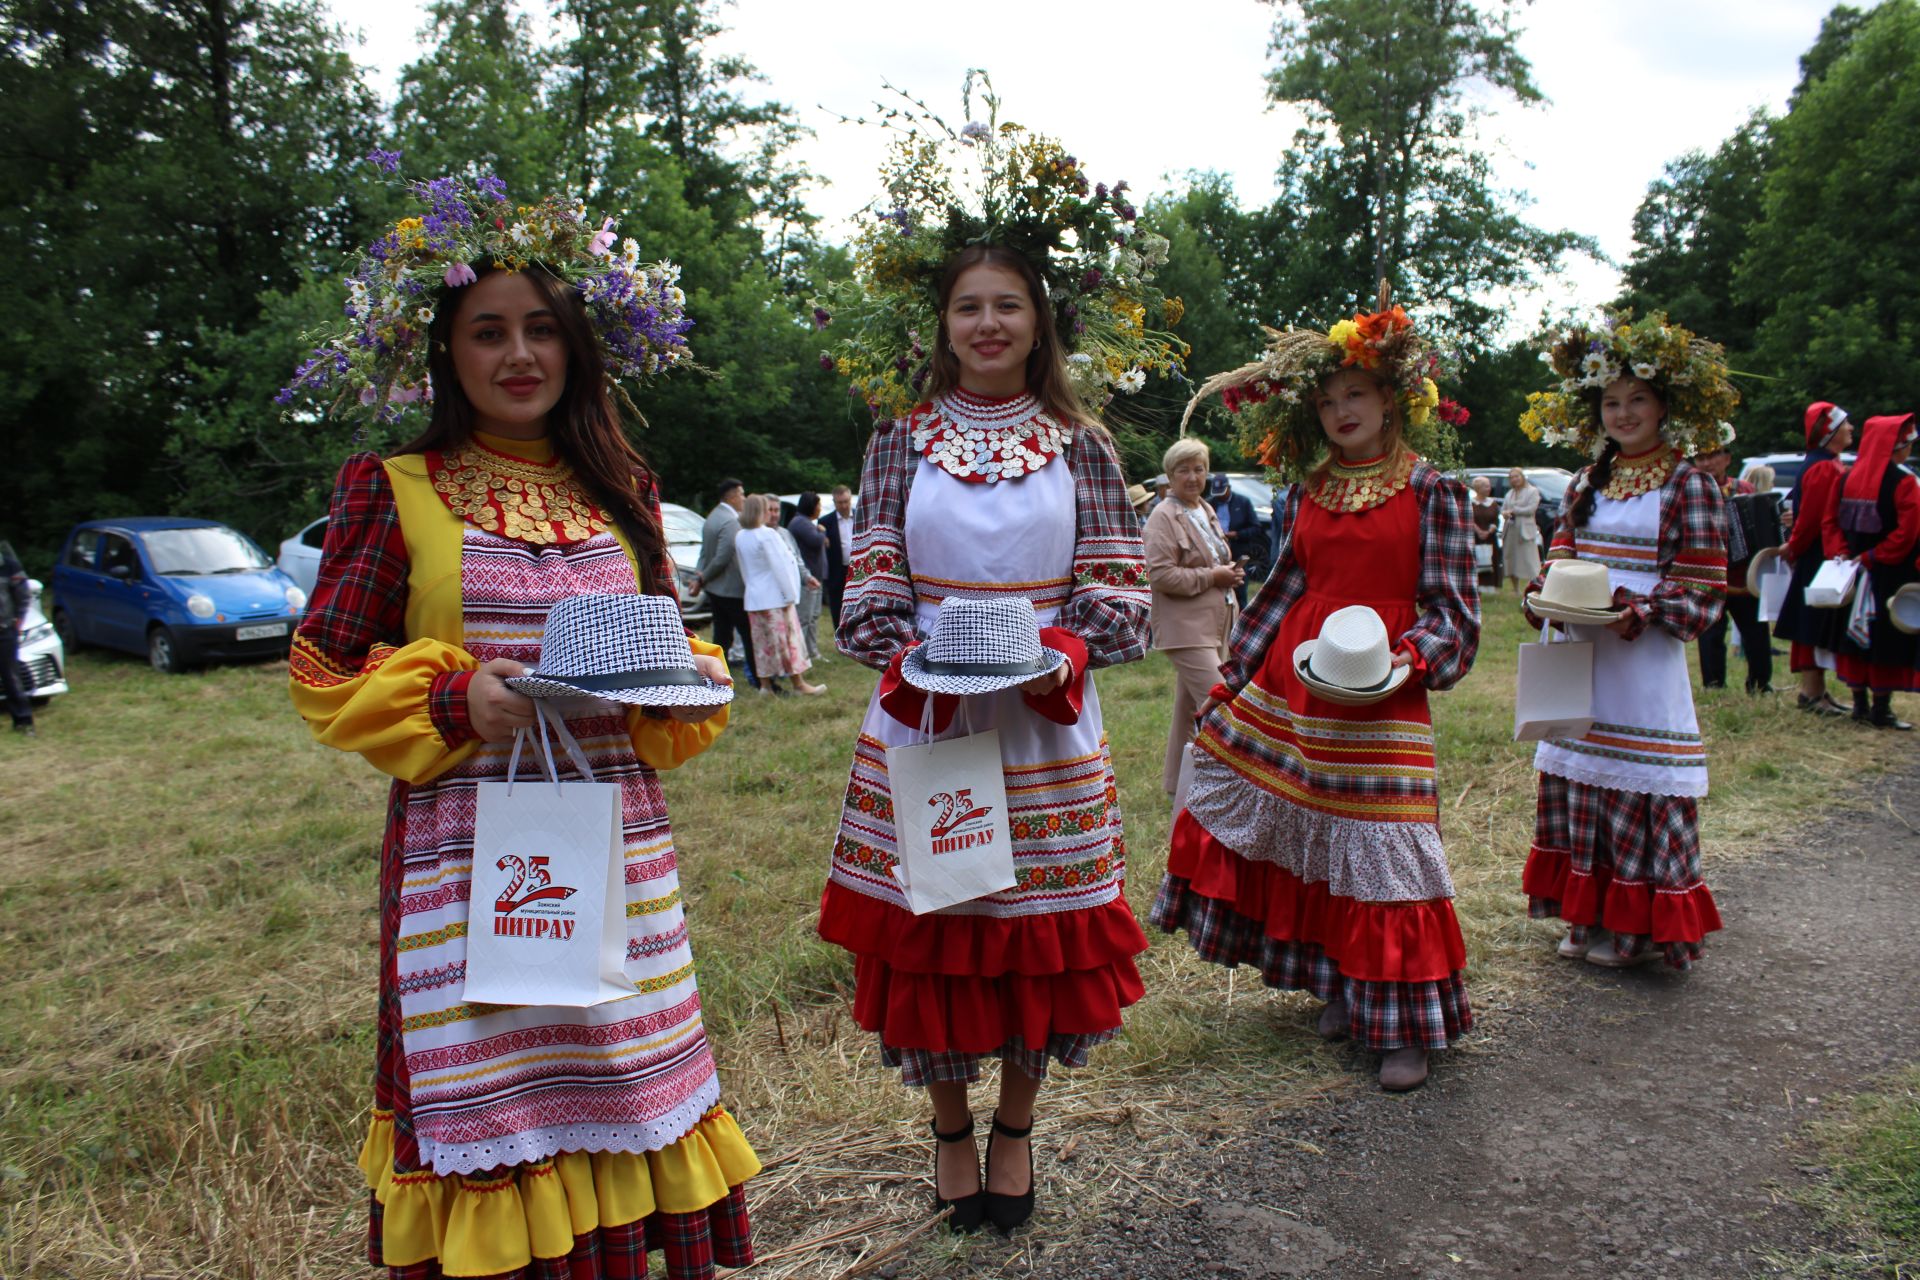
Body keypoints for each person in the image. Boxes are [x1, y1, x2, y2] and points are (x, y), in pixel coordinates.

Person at [281, 175, 758, 1279]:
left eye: (542, 327)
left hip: (612, 836)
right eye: (487, 330)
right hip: (466, 846)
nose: (518, 353)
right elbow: (321, 667)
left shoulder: (622, 490)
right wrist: (457, 697)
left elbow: (674, 638)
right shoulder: (392, 486)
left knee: (620, 1070)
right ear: (445, 349)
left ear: (580, 344)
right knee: (491, 1084)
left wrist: (669, 680)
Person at [821, 244, 1152, 1232]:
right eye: (969, 306)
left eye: (1009, 305)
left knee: (1033, 943)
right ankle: (949, 1128)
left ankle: (1015, 1126)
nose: (989, 324)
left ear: (1041, 321)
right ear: (943, 324)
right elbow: (867, 593)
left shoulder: (1083, 444)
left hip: (1044, 721)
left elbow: (1120, 594)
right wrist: (931, 653)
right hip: (931, 712)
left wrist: (1053, 651)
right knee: (941, 928)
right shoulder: (897, 441)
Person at [1152, 295, 1481, 1094]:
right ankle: (1342, 982)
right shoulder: (1304, 491)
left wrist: (1407, 662)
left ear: (1391, 401)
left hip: (1384, 685)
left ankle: (1405, 1022)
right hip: (1296, 683)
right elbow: (1278, 594)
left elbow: (1456, 613)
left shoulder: (1434, 490)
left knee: (1388, 847)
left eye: (1356, 396)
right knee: (1311, 828)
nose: (1341, 412)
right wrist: (1230, 681)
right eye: (1329, 401)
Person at [1517, 311, 1733, 973]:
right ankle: (1587, 916)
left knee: (1637, 785)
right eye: (1611, 402)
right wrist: (1542, 593)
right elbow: (1560, 554)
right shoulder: (1586, 481)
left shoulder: (1688, 483)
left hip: (1644, 663)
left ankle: (1635, 927)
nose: (1624, 412)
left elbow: (1702, 588)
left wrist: (1641, 608)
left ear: (1666, 405)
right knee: (1582, 776)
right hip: (1582, 652)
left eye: (1637, 399)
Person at [1144, 438, 1242, 797]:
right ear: (1170, 476)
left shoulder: (1204, 509)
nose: (1193, 476)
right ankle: (1230, 788)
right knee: (1223, 705)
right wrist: (1213, 577)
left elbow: (1213, 560)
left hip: (1217, 624)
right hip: (1185, 629)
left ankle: (1176, 787)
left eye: (1199, 468)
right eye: (1184, 470)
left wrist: (1228, 574)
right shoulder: (1162, 516)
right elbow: (1161, 576)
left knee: (1189, 710)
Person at [1834, 414, 1920, 729]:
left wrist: (1845, 554)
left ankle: (1859, 705)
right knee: (1883, 635)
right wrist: (1877, 555)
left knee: (1855, 635)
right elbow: (1909, 531)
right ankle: (1881, 709)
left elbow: (1832, 522)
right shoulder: (1904, 482)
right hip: (1888, 570)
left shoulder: (1846, 478)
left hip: (1854, 569)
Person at [1773, 401, 1856, 715]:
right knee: (1811, 621)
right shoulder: (1823, 467)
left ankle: (1818, 690)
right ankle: (1811, 692)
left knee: (1817, 621)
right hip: (1818, 555)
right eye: (1845, 424)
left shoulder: (1828, 464)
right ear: (1830, 431)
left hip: (1819, 553)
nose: (1850, 428)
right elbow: (1810, 519)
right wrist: (1794, 547)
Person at [737, 494, 826, 696]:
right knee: (788, 642)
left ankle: (765, 685)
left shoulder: (741, 535)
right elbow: (781, 567)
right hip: (776, 598)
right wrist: (791, 596)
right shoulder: (767, 534)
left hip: (754, 598)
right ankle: (799, 684)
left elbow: (743, 569)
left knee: (761, 645)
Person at [696, 479, 756, 689]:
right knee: (747, 635)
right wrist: (704, 577)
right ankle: (758, 679)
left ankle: (715, 674)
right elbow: (722, 557)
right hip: (730, 589)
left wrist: (701, 577)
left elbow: (704, 553)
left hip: (716, 589)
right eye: (741, 494)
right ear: (731, 497)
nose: (744, 498)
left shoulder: (712, 516)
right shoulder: (730, 520)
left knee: (721, 635)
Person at [788, 493, 829, 663]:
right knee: (804, 619)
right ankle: (801, 655)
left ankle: (812, 652)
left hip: (815, 578)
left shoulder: (805, 522)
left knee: (813, 617)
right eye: (818, 505)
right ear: (810, 506)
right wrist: (822, 533)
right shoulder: (800, 522)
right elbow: (815, 541)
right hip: (807, 579)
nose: (820, 509)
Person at [1208, 472, 1257, 607]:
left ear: (1228, 488)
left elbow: (1255, 528)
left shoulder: (1243, 502)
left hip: (1238, 551)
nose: (1220, 496)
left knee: (1240, 591)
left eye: (1222, 492)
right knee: (1219, 591)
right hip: (1217, 553)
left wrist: (1237, 534)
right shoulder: (1210, 504)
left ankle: (1240, 621)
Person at [1, 542, 33, 736]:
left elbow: (23, 595)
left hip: (4, 630)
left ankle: (23, 721)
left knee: (11, 677)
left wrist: (17, 621)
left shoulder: (9, 565)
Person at [820, 485, 855, 629]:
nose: (844, 505)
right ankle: (839, 634)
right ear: (834, 503)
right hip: (837, 570)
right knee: (837, 605)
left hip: (858, 568)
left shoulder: (860, 516)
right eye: (840, 502)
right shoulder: (825, 522)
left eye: (846, 501)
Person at [1501, 467, 1542, 589]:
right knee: (1511, 559)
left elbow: (1531, 509)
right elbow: (1503, 509)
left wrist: (1513, 510)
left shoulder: (1532, 491)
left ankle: (1536, 586)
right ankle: (1515, 589)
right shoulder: (1509, 493)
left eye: (1516, 476)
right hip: (1511, 530)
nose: (1514, 479)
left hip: (1525, 531)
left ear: (1522, 477)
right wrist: (1505, 513)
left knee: (1530, 560)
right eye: (1511, 477)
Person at [1468, 475, 1500, 587]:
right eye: (1486, 486)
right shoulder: (1470, 503)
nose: (1489, 488)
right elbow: (1468, 518)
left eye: (1489, 486)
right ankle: (1475, 585)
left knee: (1490, 560)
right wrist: (1478, 531)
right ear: (1478, 488)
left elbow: (1496, 521)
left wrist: (1489, 531)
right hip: (1474, 537)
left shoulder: (1493, 503)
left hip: (1490, 538)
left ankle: (1490, 586)